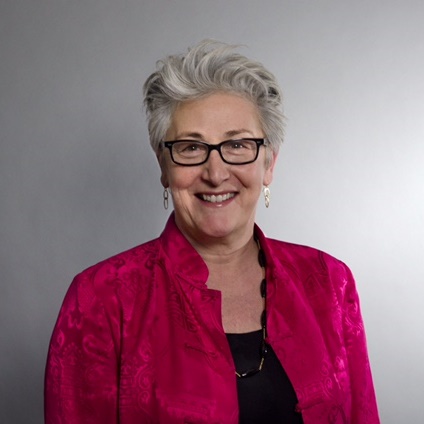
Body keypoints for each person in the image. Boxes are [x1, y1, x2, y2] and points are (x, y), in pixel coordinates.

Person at [44, 40, 380, 424]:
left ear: (269, 163)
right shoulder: (100, 299)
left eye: (237, 144)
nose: (216, 173)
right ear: (164, 165)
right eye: (191, 147)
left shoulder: (329, 281)